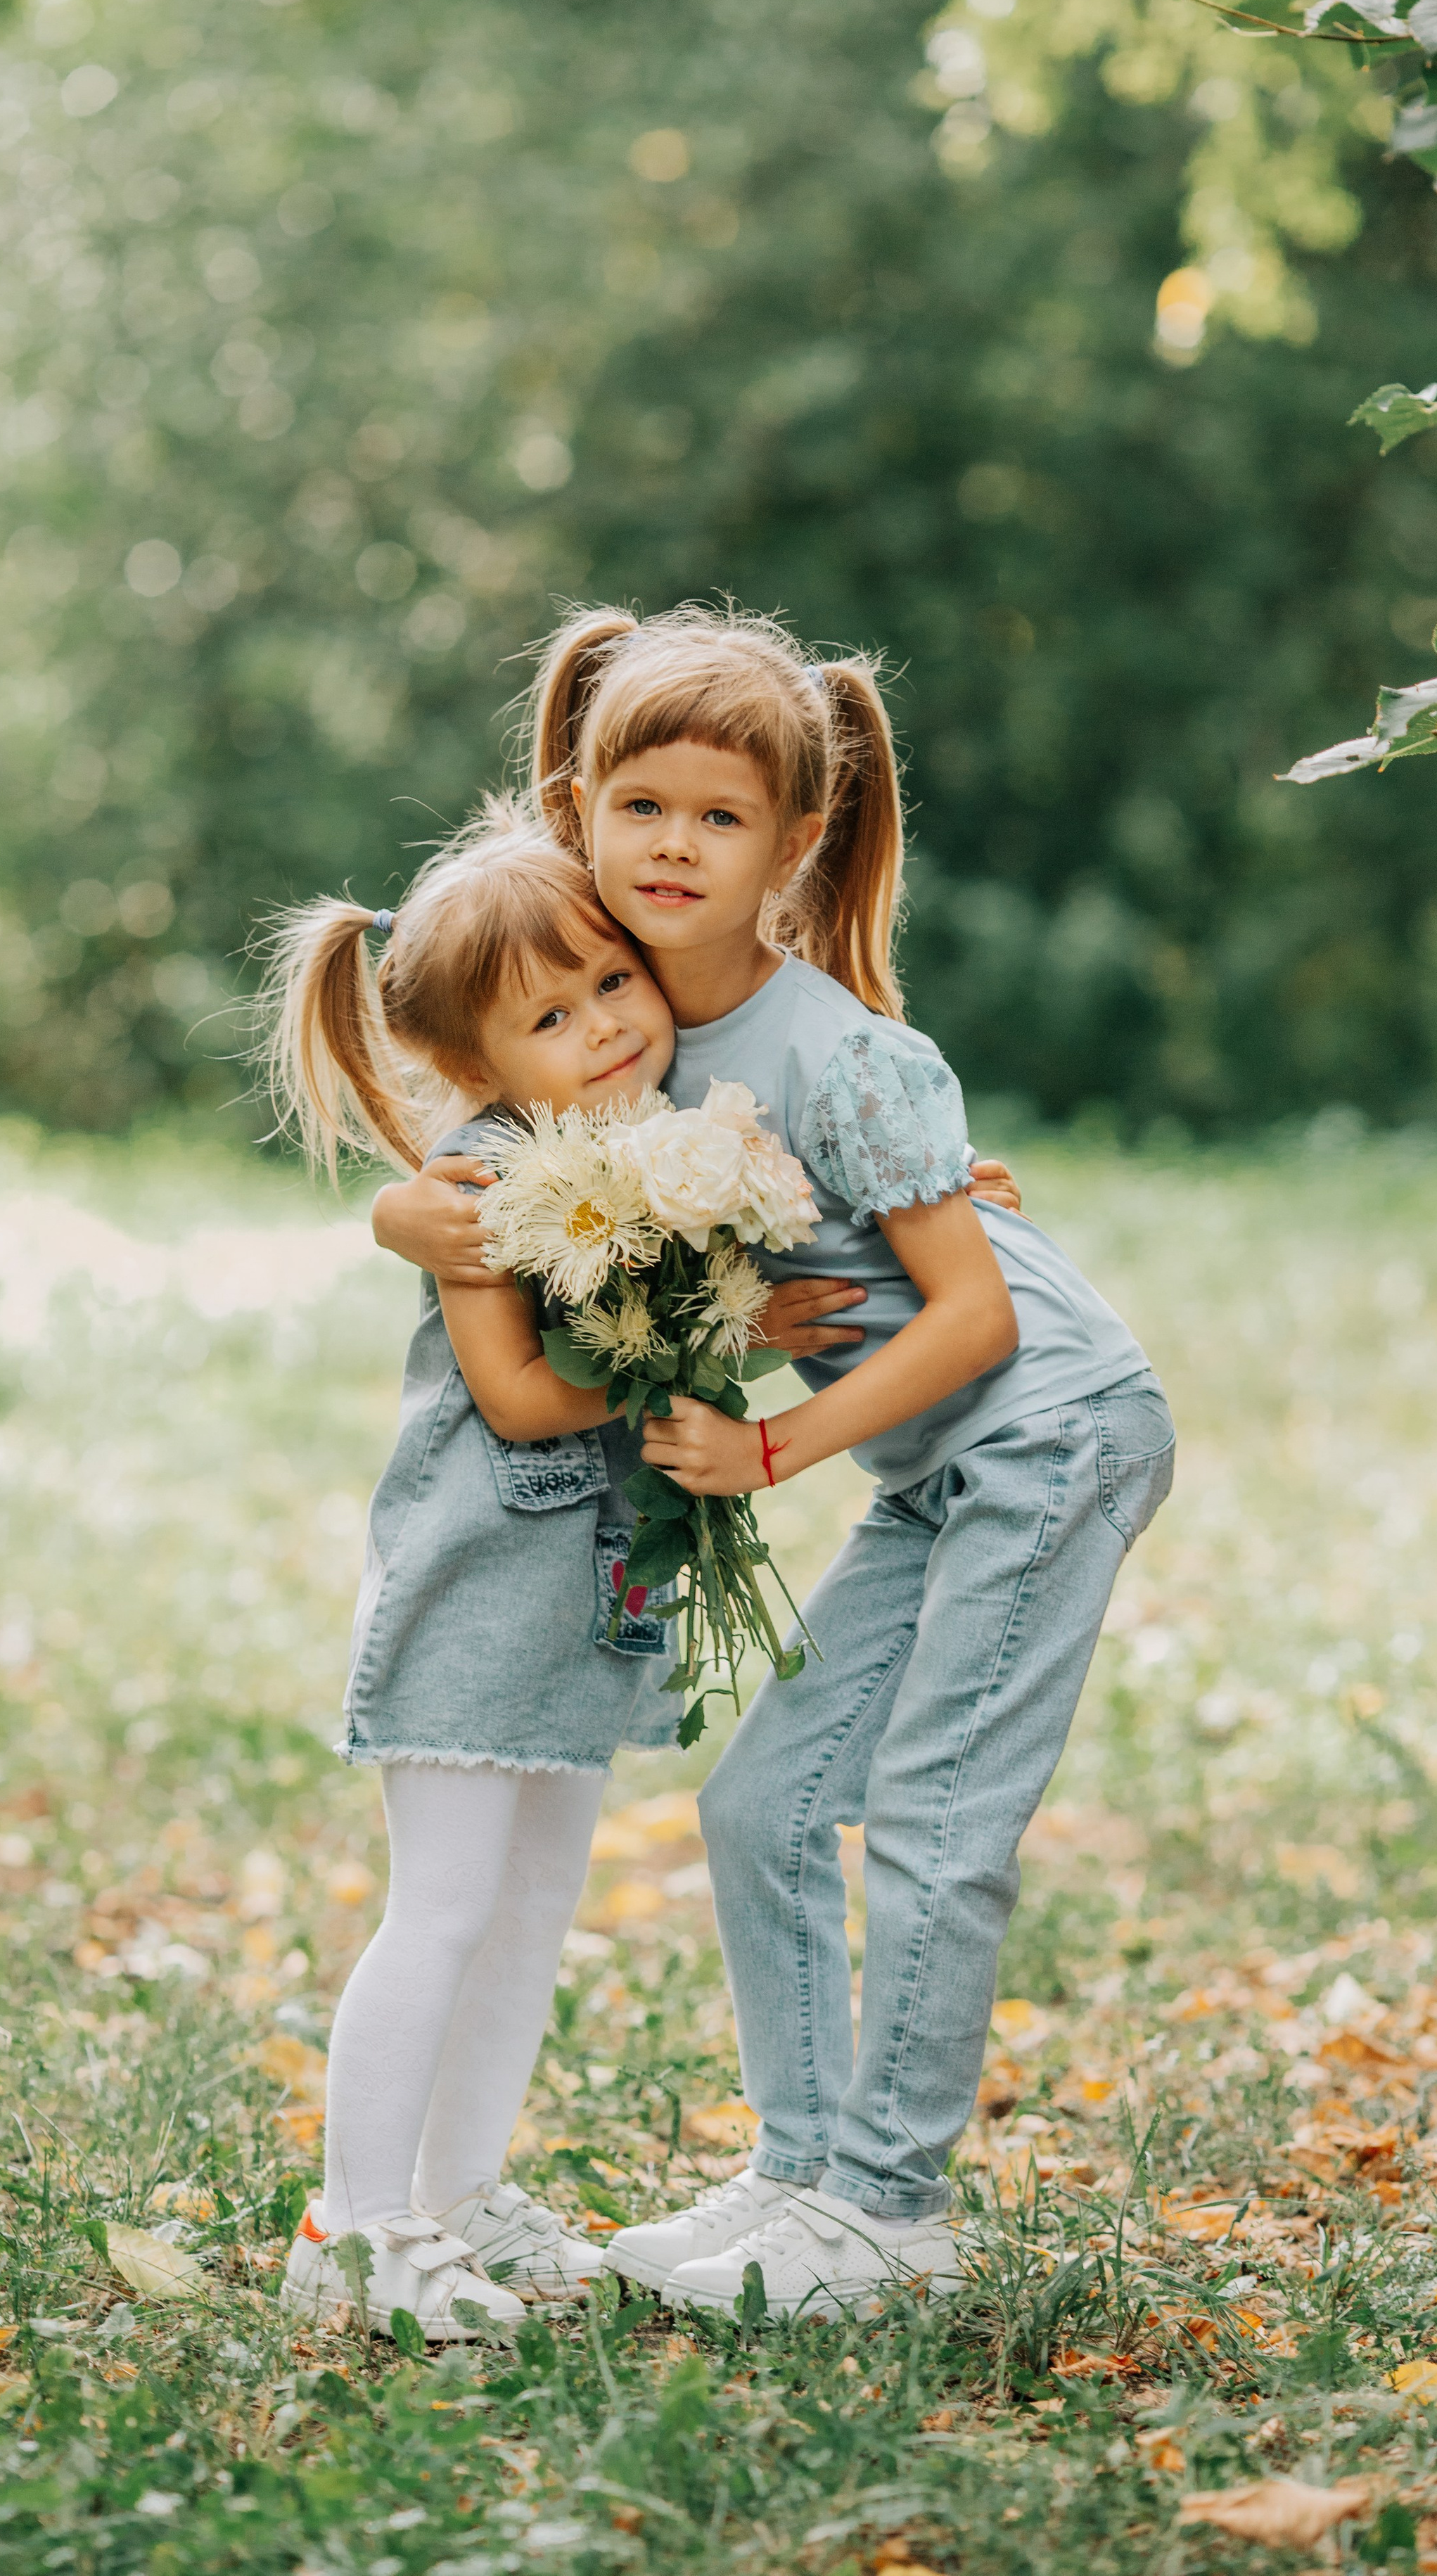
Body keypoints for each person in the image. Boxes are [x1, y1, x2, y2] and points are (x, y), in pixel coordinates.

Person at [518, 605, 1174, 2319]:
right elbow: (771, 1279)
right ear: (572, 804)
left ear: (793, 844)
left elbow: (971, 1322)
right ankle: (800, 2172)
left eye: (720, 817)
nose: (672, 844)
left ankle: (891, 2213)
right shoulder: (621, 1025)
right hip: (936, 1466)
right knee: (760, 1800)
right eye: (640, 803)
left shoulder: (839, 1048)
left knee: (939, 1819)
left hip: (1046, 1433)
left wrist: (771, 1446)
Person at [257, 803, 687, 2340]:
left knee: (531, 1910)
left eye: (611, 984)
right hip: (466, 1596)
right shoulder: (482, 1178)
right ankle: (352, 2225)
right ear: (480, 1065)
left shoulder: (653, 1136)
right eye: (552, 1017)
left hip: (585, 1601)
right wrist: (691, 1359)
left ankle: (458, 2192)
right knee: (439, 1910)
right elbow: (515, 1399)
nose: (603, 1026)